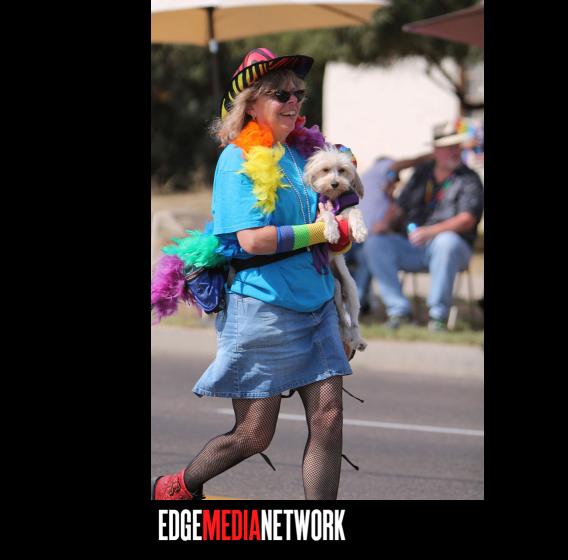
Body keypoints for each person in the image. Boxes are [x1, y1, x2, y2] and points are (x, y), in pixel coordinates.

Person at [151, 47, 356, 501]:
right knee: (253, 434)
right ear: (251, 103)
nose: (293, 101)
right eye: (280, 94)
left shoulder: (305, 154)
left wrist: (341, 235)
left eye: (298, 94)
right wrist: (319, 231)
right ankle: (177, 488)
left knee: (329, 418)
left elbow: (332, 219)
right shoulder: (236, 160)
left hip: (318, 301)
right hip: (262, 305)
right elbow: (252, 240)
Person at [363, 121, 484, 331]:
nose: (455, 151)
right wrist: (384, 223)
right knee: (375, 243)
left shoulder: (469, 179)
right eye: (449, 147)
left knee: (446, 242)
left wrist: (430, 232)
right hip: (413, 245)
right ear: (435, 151)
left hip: (451, 248)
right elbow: (401, 206)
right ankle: (399, 311)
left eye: (457, 146)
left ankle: (438, 317)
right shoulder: (422, 174)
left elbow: (467, 220)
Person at [345, 153, 432, 314]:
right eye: (394, 176)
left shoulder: (382, 193)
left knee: (369, 255)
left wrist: (390, 197)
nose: (396, 180)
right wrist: (423, 159)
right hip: (357, 239)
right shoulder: (378, 170)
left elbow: (390, 223)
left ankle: (357, 305)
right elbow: (396, 165)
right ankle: (354, 305)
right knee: (367, 255)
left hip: (362, 239)